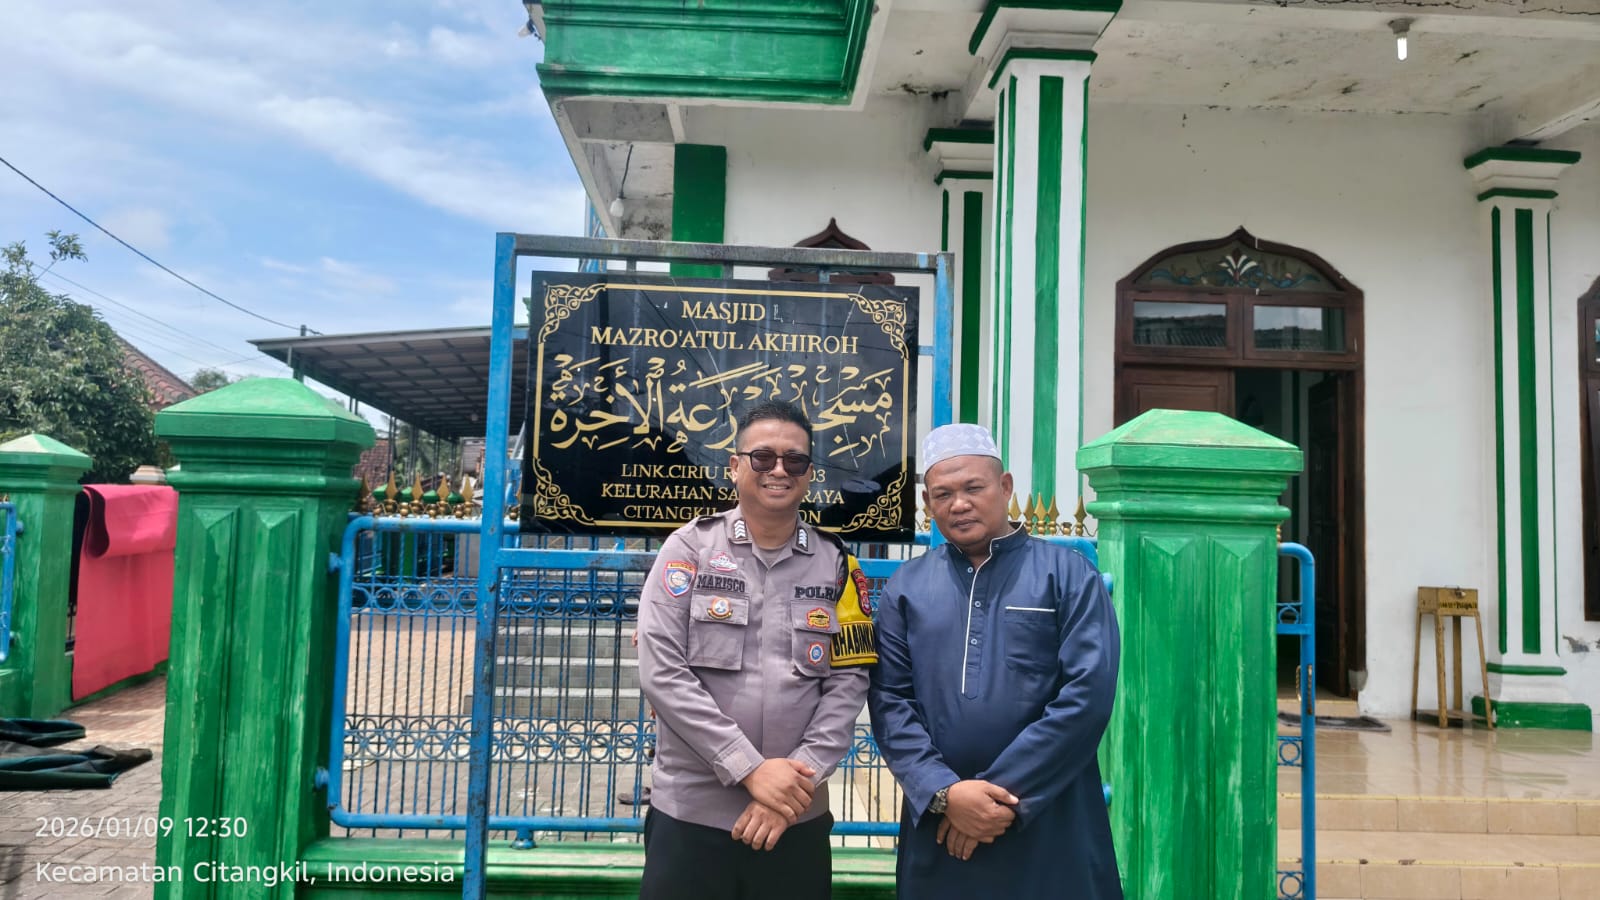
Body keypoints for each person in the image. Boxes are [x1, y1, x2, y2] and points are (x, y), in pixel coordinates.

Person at [868, 423, 1123, 898]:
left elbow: (1087, 698)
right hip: (941, 823)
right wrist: (945, 793)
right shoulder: (907, 587)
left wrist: (994, 797)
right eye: (943, 494)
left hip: (1050, 815)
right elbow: (889, 700)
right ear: (927, 504)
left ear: (1005, 487)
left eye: (973, 488)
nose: (959, 504)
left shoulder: (1068, 576)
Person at [635, 400, 876, 900]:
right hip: (692, 816)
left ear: (809, 474)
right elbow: (662, 672)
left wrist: (790, 786)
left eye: (795, 460)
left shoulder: (837, 565)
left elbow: (849, 684)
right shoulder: (688, 550)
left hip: (795, 816)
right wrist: (750, 768)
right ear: (735, 466)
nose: (779, 470)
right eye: (763, 457)